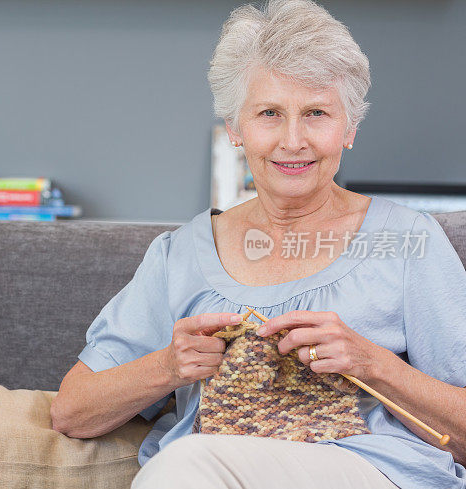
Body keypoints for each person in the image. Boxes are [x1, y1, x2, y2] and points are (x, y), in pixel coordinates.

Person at [50, 1, 466, 488]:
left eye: (316, 113)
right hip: (209, 469)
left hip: (371, 471)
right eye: (270, 113)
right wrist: (167, 367)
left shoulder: (407, 241)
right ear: (235, 128)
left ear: (349, 128)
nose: (293, 140)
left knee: (187, 465)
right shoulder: (180, 254)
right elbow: (72, 413)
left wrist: (373, 364)